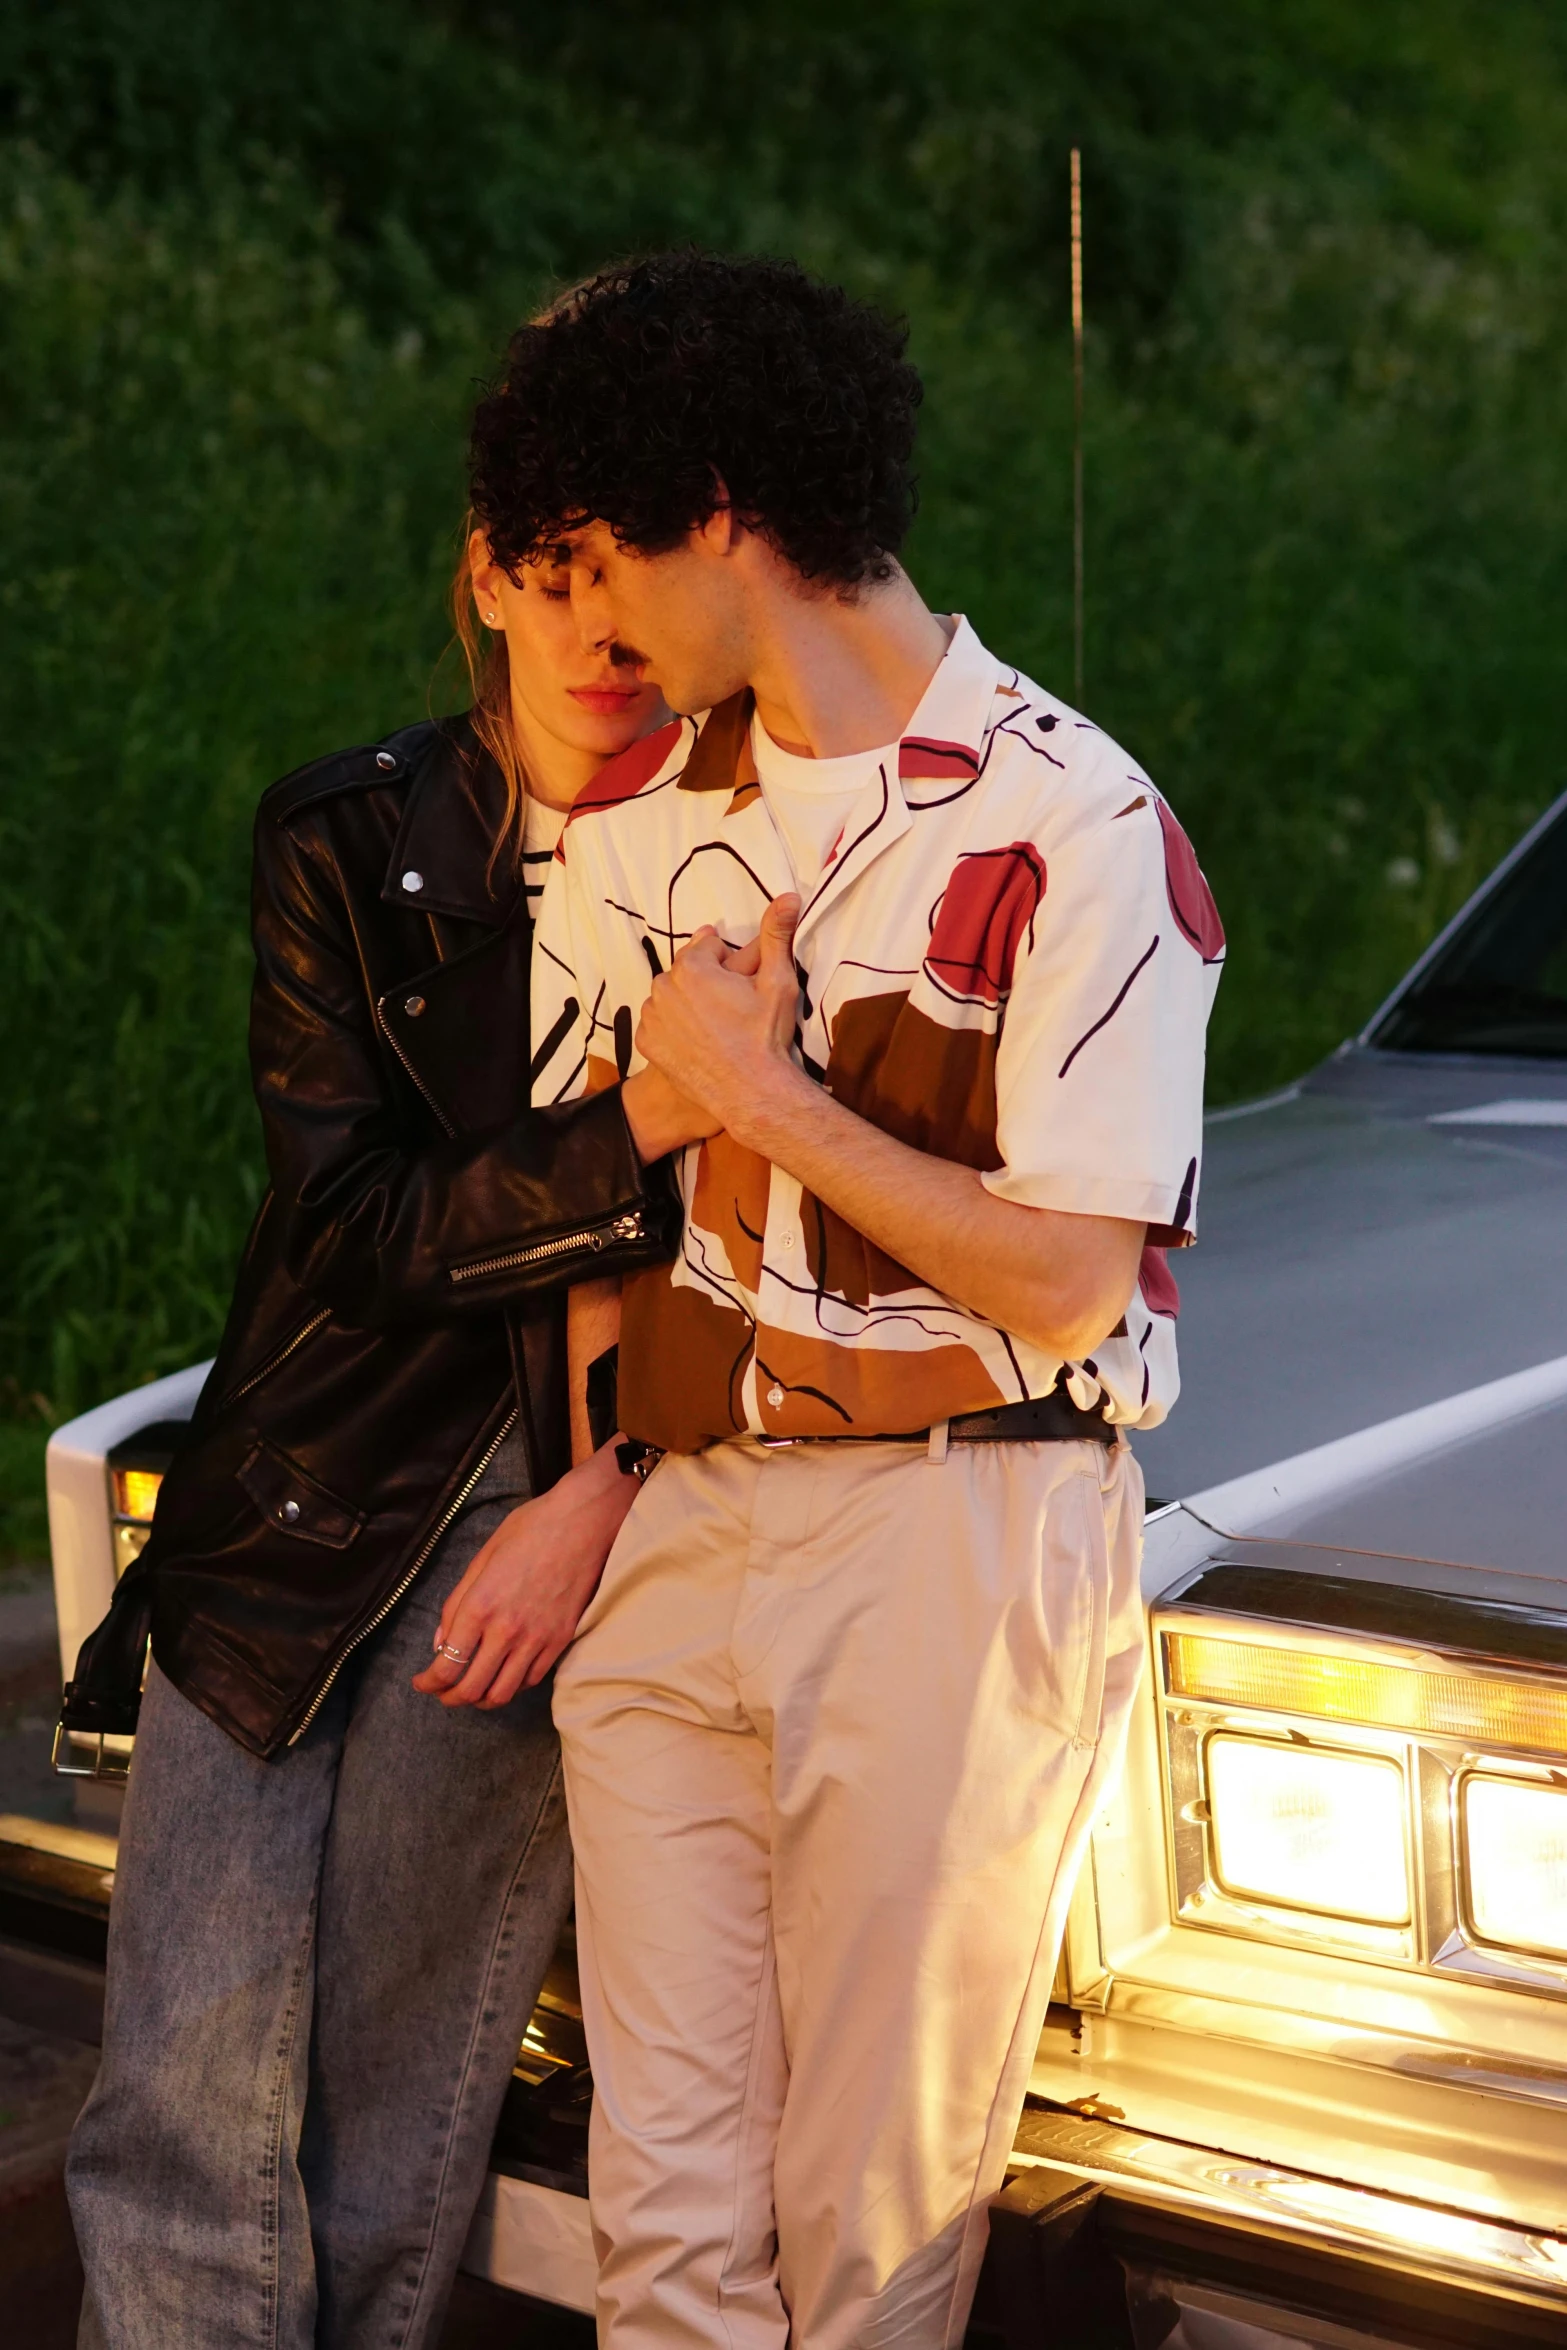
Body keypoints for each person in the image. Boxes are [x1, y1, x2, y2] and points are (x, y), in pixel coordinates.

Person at [497, 250, 1226, 2350]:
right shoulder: (634, 817)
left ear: (718, 504)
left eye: (611, 546)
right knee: (667, 2220)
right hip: (679, 1528)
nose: (596, 613)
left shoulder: (1076, 818)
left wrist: (768, 1102)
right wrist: (598, 1476)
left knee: (872, 2229)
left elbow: (1071, 1278)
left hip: (953, 1527)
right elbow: (596, 1218)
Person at [60, 486, 712, 2346]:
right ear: (489, 578)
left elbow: (780, 1272)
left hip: (550, 1497)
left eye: (636, 585)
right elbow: (349, 1225)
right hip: (295, 1484)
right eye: (558, 577)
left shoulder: (755, 846)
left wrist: (605, 1486)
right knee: (177, 2098)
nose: (600, 636)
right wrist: (639, 1126)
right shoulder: (351, 831)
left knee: (393, 2111)